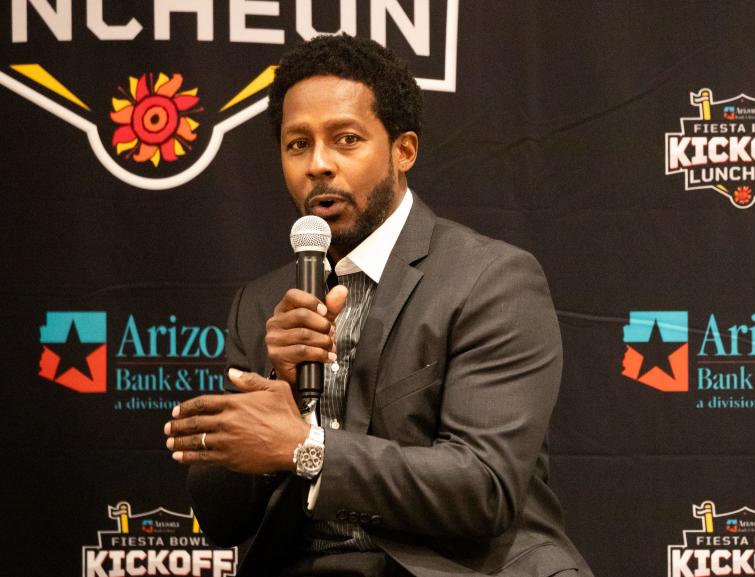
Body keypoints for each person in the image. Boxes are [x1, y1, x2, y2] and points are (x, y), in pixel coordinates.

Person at [164, 34, 593, 577]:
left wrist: (308, 446)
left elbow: (484, 487)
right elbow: (221, 519)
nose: (318, 165)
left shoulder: (491, 279)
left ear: (403, 150)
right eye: (297, 145)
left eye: (345, 139)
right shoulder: (263, 305)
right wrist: (282, 382)